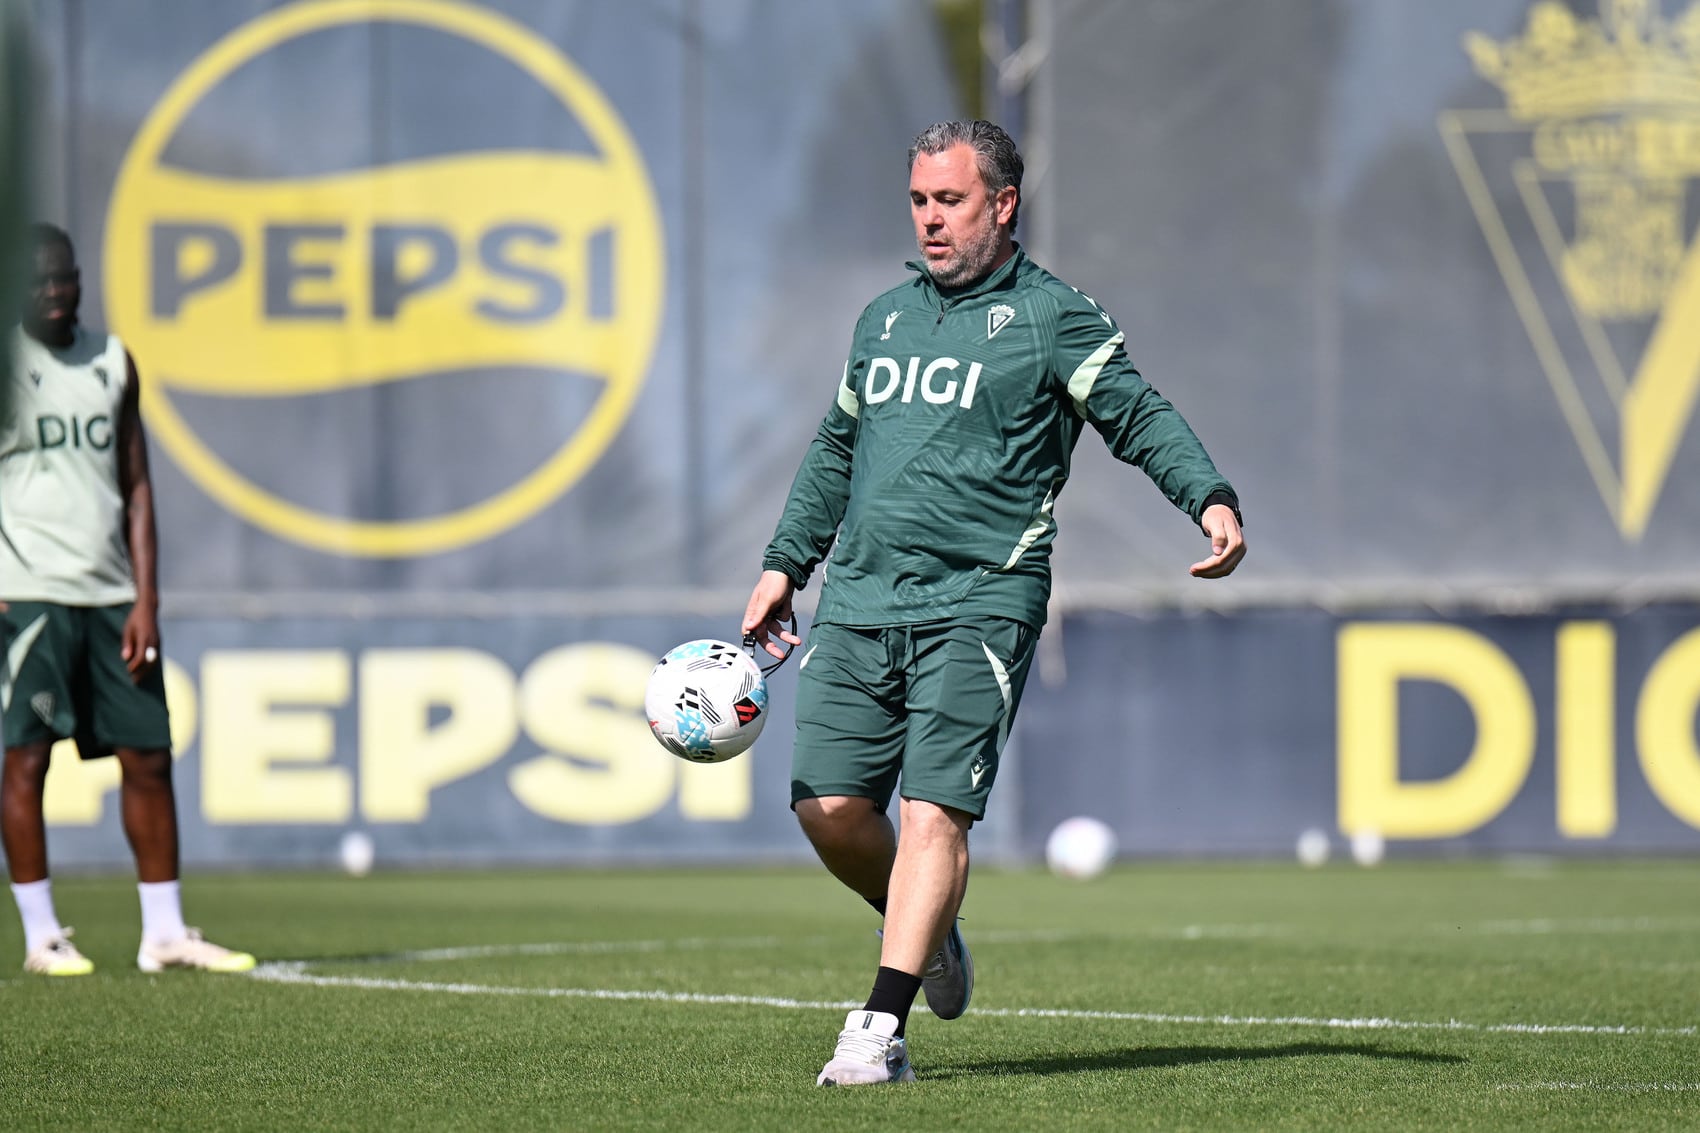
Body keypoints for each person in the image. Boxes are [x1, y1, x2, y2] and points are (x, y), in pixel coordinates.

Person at [741, 120, 1245, 1086]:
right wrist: (784, 563)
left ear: (1003, 204)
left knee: (935, 812)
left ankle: (878, 1029)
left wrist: (1210, 498)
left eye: (952, 201)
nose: (932, 221)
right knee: (830, 808)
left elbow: (1137, 412)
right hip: (859, 598)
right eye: (921, 202)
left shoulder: (1054, 316)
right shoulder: (883, 319)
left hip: (981, 599)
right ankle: (930, 934)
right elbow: (836, 450)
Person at [1, 223, 254, 976]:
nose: (54, 291)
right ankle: (43, 935)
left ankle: (164, 932)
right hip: (30, 596)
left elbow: (137, 486)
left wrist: (146, 598)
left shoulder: (112, 362)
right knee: (26, 758)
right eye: (39, 280)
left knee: (148, 754)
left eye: (64, 278)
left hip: (112, 595)